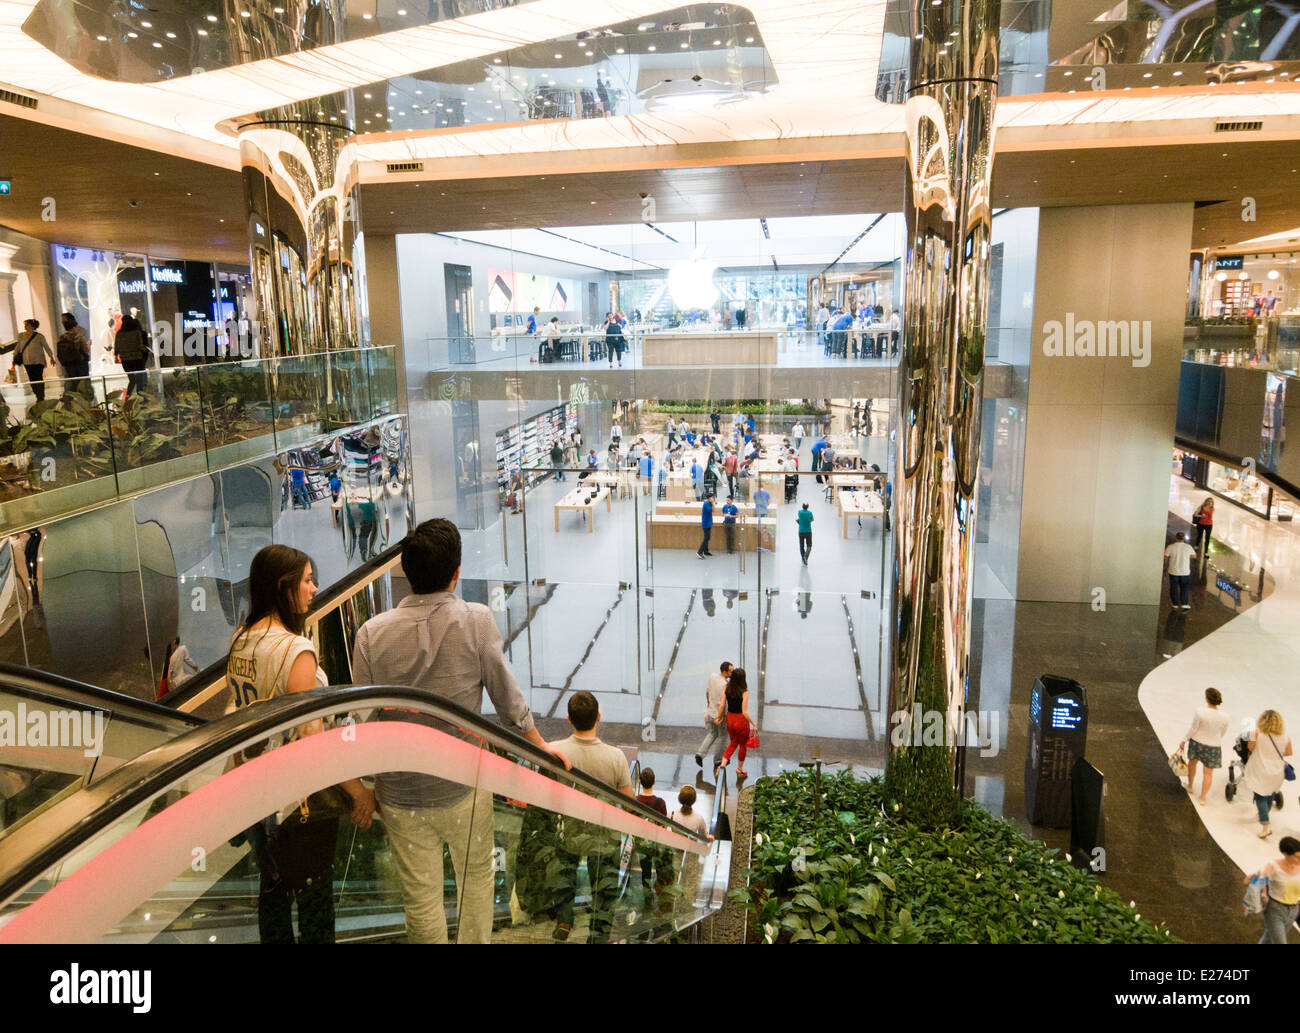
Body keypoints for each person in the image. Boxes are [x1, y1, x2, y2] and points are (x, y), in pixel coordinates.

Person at [352, 519, 569, 943]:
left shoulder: (370, 635)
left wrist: (363, 787)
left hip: (398, 794)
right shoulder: (476, 621)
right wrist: (541, 748)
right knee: (476, 884)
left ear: (406, 573)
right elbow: (508, 702)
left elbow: (361, 721)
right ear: (456, 572)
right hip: (464, 786)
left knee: (420, 900)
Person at [225, 545, 376, 944]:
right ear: (283, 587)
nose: (314, 589)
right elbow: (314, 743)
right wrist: (358, 791)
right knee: (314, 905)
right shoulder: (296, 651)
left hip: (259, 798)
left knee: (273, 895)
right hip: (299, 806)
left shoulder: (240, 640)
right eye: (307, 580)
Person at [549, 690, 635, 942]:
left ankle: (565, 919)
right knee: (604, 889)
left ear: (568, 719)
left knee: (564, 875)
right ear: (598, 717)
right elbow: (629, 803)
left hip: (567, 830)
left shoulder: (554, 751)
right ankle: (597, 936)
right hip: (605, 835)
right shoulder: (615, 757)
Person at [1245, 709, 1293, 839]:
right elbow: (1288, 753)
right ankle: (1264, 813)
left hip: (1260, 768)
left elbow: (1250, 747)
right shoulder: (1285, 737)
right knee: (1270, 793)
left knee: (1260, 795)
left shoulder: (1256, 733)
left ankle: (1265, 826)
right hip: (1277, 771)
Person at [1246, 837, 1300, 944]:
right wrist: (1258, 880)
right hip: (1275, 910)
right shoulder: (1273, 866)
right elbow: (1249, 879)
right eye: (1297, 857)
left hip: (1293, 910)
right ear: (1285, 854)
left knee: (1269, 938)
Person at [1180, 687, 1229, 805]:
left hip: (1197, 742)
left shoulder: (1200, 711)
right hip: (1213, 746)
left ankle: (1190, 785)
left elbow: (1194, 728)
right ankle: (1202, 797)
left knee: (1192, 764)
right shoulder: (1225, 716)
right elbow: (1223, 732)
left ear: (1207, 699)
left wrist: (1184, 740)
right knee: (1208, 773)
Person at [634, 768, 673, 911]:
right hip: (656, 841)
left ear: (639, 782)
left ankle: (646, 896)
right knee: (658, 867)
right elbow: (663, 823)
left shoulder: (636, 801)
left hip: (642, 842)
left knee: (644, 869)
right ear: (654, 782)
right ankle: (660, 894)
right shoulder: (660, 803)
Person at [2, 319, 55, 403]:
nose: (25, 326)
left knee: (38, 378)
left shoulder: (39, 336)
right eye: (25, 325)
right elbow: (18, 347)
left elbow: (46, 346)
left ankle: (41, 396)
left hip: (38, 361)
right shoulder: (21, 336)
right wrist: (14, 356)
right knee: (32, 380)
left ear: (32, 326)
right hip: (27, 361)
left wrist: (51, 356)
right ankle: (37, 394)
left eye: (27, 325)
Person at [716, 667, 753, 779]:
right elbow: (745, 712)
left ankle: (722, 765)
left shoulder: (726, 688)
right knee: (742, 745)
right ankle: (740, 770)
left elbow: (722, 705)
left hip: (730, 719)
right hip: (741, 720)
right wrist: (753, 723)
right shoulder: (744, 692)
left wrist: (719, 717)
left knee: (733, 743)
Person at [695, 661, 732, 766]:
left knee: (712, 733)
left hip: (710, 712)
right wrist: (720, 716)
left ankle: (700, 754)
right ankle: (718, 759)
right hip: (719, 715)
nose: (732, 673)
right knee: (722, 736)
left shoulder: (712, 677)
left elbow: (707, 692)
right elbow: (722, 704)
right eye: (731, 671)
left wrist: (709, 704)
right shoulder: (725, 685)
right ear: (725, 672)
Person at [114, 312, 149, 396]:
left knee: (132, 380)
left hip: (125, 360)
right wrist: (146, 351)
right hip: (137, 359)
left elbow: (116, 347)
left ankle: (128, 397)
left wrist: (116, 357)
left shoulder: (119, 333)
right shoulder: (136, 332)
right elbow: (140, 346)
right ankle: (141, 399)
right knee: (139, 380)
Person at [55, 313, 91, 392]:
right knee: (83, 382)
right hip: (80, 363)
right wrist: (88, 345)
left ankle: (72, 399)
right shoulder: (78, 336)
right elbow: (85, 350)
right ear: (74, 326)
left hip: (68, 363)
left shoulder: (61, 338)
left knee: (72, 382)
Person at [1163, 531, 1194, 610]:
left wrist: (1165, 566)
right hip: (1185, 571)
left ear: (1176, 538)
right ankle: (1184, 604)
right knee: (1184, 587)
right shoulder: (1188, 547)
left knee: (1174, 587)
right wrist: (1186, 556)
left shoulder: (1171, 546)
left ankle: (1175, 604)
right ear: (1183, 539)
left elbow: (1165, 557)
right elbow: (1194, 556)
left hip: (1173, 570)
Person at [697, 493, 714, 558]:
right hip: (706, 524)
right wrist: (713, 503)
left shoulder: (708, 503)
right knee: (707, 538)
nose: (713, 499)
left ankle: (706, 551)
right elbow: (713, 510)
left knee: (707, 538)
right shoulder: (706, 504)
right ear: (709, 498)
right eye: (712, 498)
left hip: (708, 523)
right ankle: (700, 552)